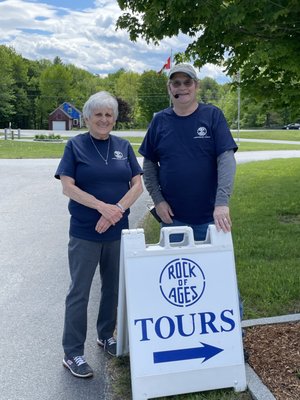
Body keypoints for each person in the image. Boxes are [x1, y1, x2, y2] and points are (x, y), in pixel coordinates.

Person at [55, 91, 143, 378]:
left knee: (113, 287)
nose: (104, 119)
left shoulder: (123, 146)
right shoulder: (75, 146)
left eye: (109, 115)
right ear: (88, 118)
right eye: (98, 114)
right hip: (85, 233)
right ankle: (73, 353)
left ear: (114, 119)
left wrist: (116, 210)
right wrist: (103, 208)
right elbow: (68, 187)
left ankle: (106, 335)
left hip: (118, 232)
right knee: (79, 292)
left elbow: (137, 186)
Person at [139, 63, 238, 242]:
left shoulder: (212, 116)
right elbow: (149, 164)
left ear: (196, 86)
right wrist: (158, 201)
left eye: (187, 82)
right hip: (172, 218)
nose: (182, 87)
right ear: (169, 88)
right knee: (176, 268)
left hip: (212, 216)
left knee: (211, 269)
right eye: (176, 83)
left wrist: (222, 203)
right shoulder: (159, 121)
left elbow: (227, 160)